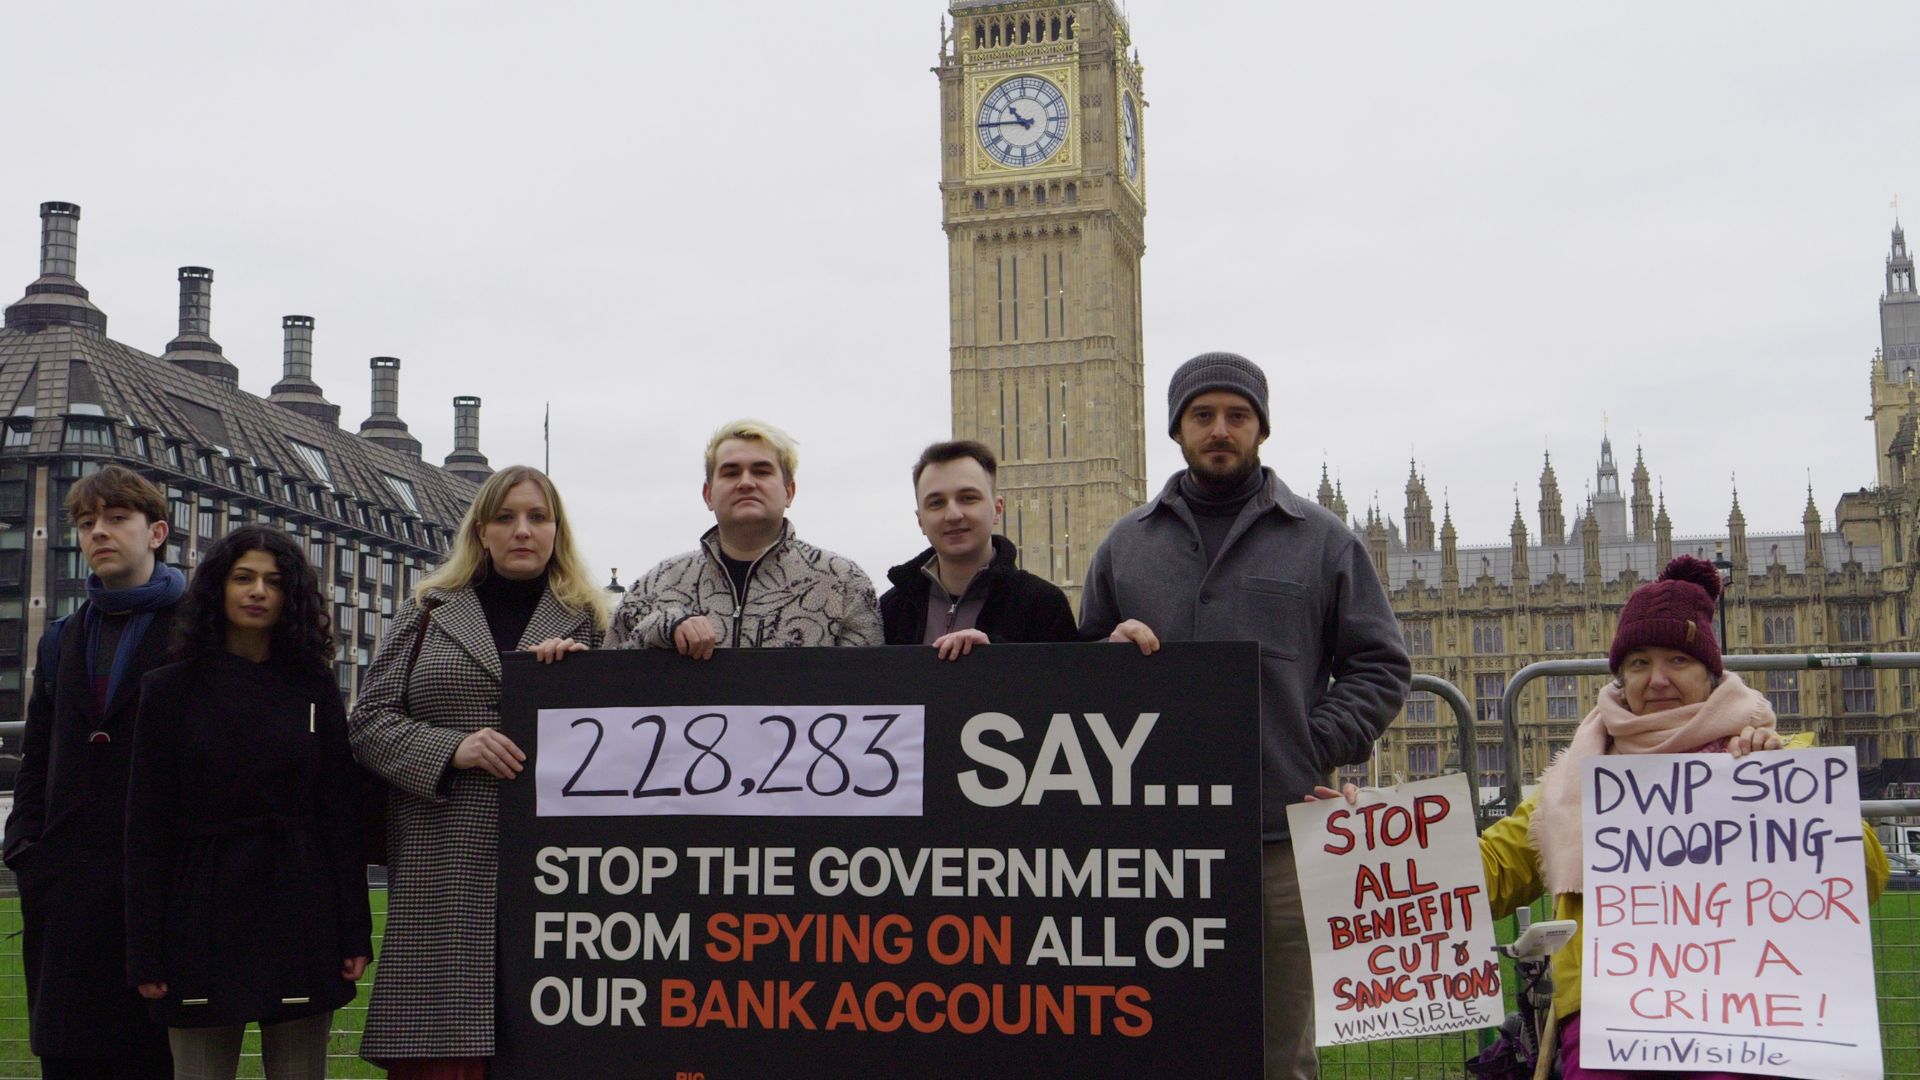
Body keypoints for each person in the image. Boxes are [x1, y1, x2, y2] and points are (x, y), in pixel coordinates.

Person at [1316, 555, 1891, 1080]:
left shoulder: (1773, 762)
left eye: (1679, 660)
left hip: (1746, 1020)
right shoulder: (1581, 782)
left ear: (1712, 673)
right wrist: (1378, 841)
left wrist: (1787, 791)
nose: (1657, 679)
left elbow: (1863, 877)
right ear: (1619, 676)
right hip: (1610, 1024)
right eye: (1639, 662)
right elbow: (1489, 868)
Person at [1078, 351, 1410, 1080]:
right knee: (1152, 1045)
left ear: (1262, 428)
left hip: (1278, 839)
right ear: (1177, 430)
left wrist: (1306, 742)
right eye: (1203, 416)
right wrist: (1106, 653)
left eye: (1237, 415)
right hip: (1149, 847)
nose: (1220, 429)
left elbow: (1381, 665)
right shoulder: (1126, 544)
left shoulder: (1322, 539)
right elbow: (1080, 673)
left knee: (1279, 1053)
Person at [348, 466, 607, 1077]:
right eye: (506, 517)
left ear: (557, 531)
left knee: (553, 1039)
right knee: (442, 1046)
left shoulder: (592, 623)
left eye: (538, 517)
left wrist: (585, 679)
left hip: (557, 871)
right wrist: (451, 749)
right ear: (482, 531)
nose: (522, 530)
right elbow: (367, 721)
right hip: (443, 861)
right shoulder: (428, 612)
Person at [124, 525, 372, 1080]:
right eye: (244, 578)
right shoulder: (168, 690)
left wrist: (354, 931)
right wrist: (144, 950)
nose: (258, 590)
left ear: (291, 597)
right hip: (199, 910)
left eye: (273, 581)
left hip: (299, 904)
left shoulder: (314, 687)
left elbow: (340, 816)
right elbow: (145, 828)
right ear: (219, 588)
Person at [3, 465, 185, 1079]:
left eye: (115, 519)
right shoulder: (60, 638)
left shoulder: (197, 633)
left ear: (157, 531)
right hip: (68, 886)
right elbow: (39, 755)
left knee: (156, 1056)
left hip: (160, 885)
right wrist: (26, 849)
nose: (97, 533)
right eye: (85, 523)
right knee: (69, 1054)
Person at [607, 418, 881, 653]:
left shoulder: (844, 584)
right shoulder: (654, 587)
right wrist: (662, 629)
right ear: (708, 495)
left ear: (789, 492)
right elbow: (605, 684)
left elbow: (873, 693)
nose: (746, 482)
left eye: (761, 471)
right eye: (730, 472)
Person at [879, 439, 1077, 657]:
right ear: (920, 521)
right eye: (936, 503)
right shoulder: (890, 610)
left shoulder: (1043, 605)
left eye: (968, 498)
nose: (953, 514)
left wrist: (995, 657)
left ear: (997, 510)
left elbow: (1066, 686)